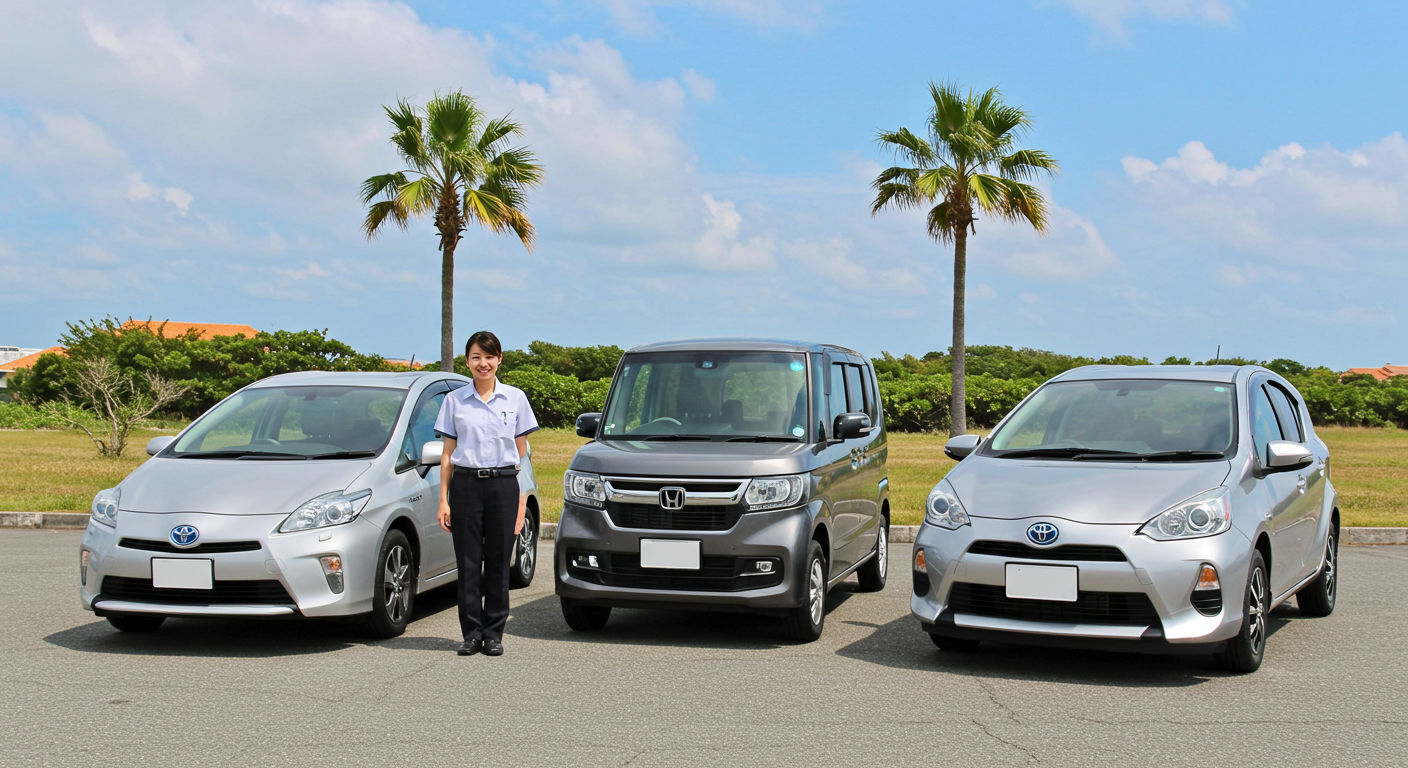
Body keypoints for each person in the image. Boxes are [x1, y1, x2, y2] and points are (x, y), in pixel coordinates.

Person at [434, 331, 539, 656]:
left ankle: (493, 634)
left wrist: (521, 500)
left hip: (503, 485)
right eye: (476, 357)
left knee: (498, 562)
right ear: (467, 361)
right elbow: (447, 454)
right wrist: (443, 499)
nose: (483, 363)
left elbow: (522, 454)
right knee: (467, 563)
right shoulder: (454, 401)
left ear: (499, 359)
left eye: (489, 357)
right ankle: (471, 634)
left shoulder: (515, 399)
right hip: (465, 485)